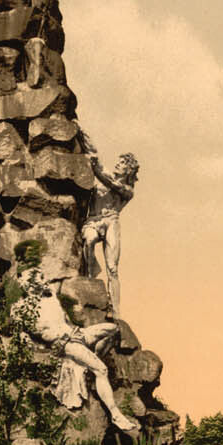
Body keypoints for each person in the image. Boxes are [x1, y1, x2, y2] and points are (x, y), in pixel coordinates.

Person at [21, 268, 139, 434]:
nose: (42, 281)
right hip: (66, 343)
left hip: (78, 334)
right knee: (102, 370)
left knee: (113, 329)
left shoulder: (50, 298)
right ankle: (115, 414)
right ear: (29, 286)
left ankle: (92, 361)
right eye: (38, 279)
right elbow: (33, 333)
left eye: (42, 277)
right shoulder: (26, 309)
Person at [80, 133, 139, 320]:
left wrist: (96, 167)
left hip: (112, 221)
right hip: (94, 219)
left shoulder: (128, 191)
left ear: (129, 170)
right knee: (88, 241)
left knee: (112, 268)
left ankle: (116, 310)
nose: (118, 165)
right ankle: (90, 283)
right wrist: (80, 132)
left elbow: (111, 183)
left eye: (122, 164)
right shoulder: (104, 173)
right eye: (119, 162)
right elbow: (92, 150)